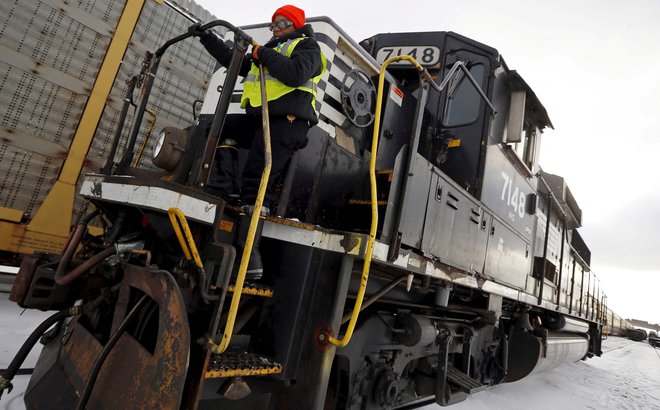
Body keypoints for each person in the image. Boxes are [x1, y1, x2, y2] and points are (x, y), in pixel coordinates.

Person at [190, 5, 326, 279]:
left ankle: (249, 255)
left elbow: (296, 73)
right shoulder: (268, 52)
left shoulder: (307, 47)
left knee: (256, 179)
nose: (275, 28)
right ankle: (223, 187)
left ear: (296, 25)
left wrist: (263, 52)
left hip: (288, 122)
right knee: (220, 130)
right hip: (261, 118)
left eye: (282, 23)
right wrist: (207, 38)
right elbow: (236, 61)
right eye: (273, 24)